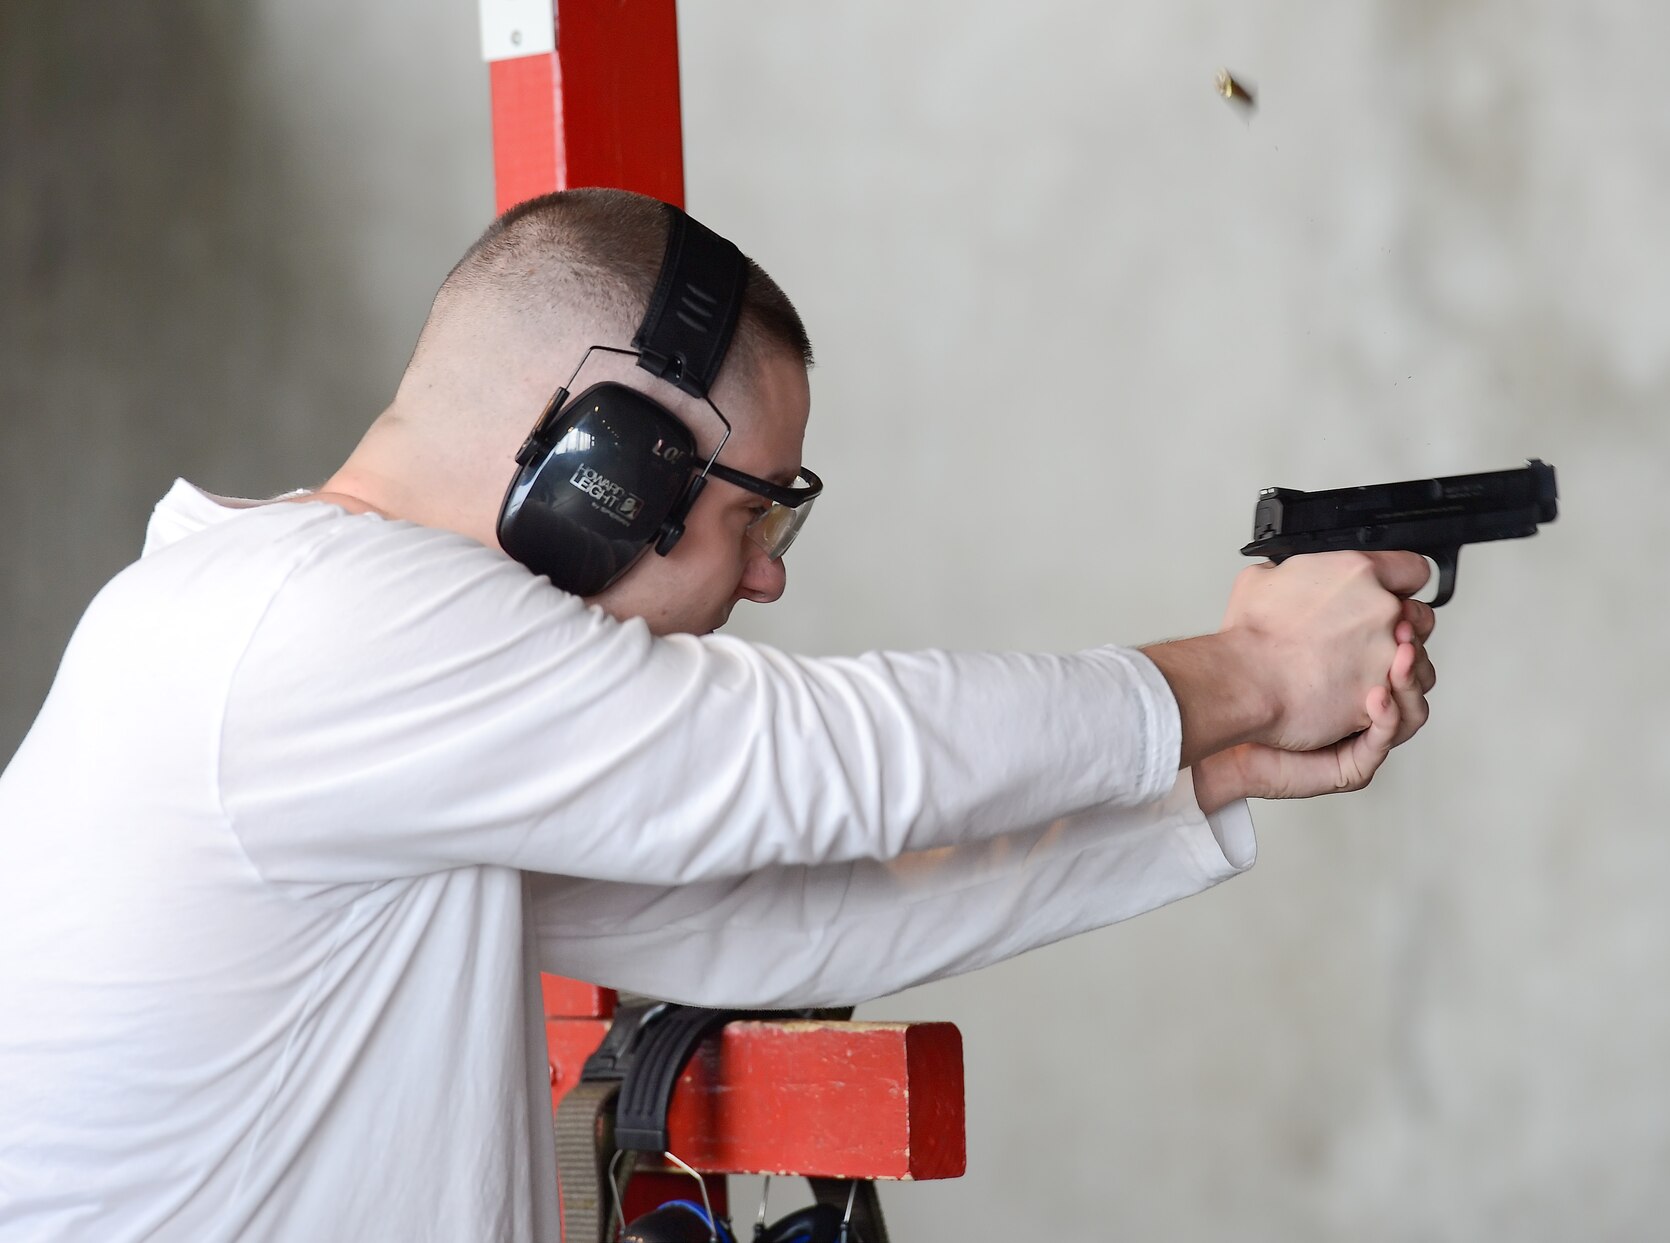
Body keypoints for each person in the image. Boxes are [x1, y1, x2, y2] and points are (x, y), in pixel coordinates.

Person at [0, 189, 1436, 1239]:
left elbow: (774, 911)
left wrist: (1206, 773)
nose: (764, 578)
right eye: (755, 517)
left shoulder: (311, 655)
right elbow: (808, 762)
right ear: (609, 467)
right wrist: (1251, 668)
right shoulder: (310, 623)